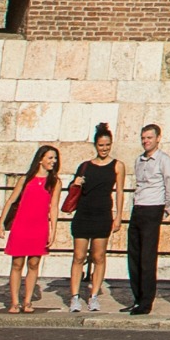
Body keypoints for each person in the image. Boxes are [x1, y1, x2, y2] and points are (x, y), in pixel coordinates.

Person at [62, 125, 120, 314]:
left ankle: (94, 296)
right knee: (78, 256)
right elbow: (75, 186)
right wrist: (75, 183)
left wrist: (119, 216)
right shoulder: (85, 165)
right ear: (96, 145)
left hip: (103, 214)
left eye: (107, 145)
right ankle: (74, 297)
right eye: (101, 145)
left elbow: (119, 192)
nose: (104, 148)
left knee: (98, 256)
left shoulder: (117, 165)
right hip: (84, 214)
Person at [1, 144, 60, 315]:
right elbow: (11, 200)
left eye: (55, 158)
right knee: (17, 263)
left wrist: (53, 230)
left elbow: (54, 207)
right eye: (50, 158)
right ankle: (14, 302)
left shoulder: (54, 182)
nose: (53, 161)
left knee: (34, 263)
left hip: (39, 226)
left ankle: (27, 301)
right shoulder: (26, 179)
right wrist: (1, 222)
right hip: (22, 225)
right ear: (41, 159)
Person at [125, 123, 170, 315]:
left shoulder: (164, 160)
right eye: (143, 138)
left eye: (149, 138)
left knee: (147, 258)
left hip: (154, 208)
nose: (146, 141)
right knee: (134, 255)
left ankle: (146, 301)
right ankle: (137, 298)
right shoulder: (139, 160)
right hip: (139, 207)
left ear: (158, 138)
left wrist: (165, 209)